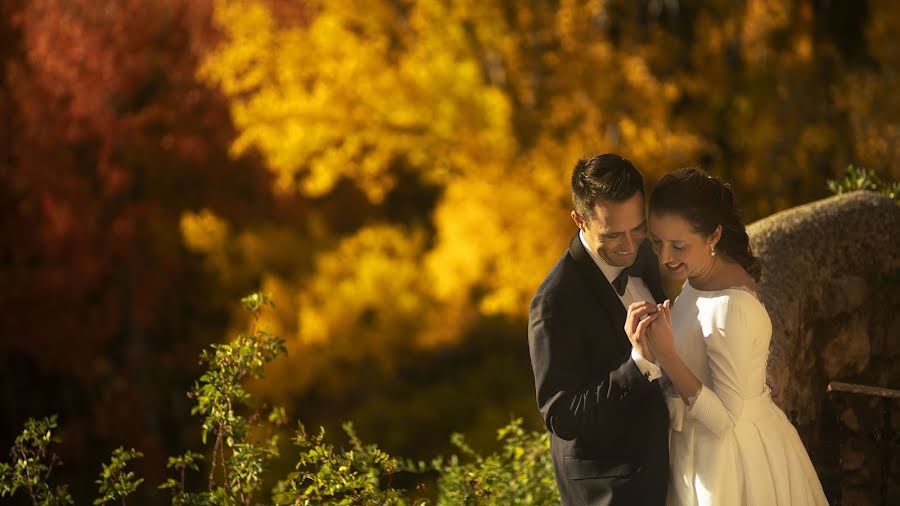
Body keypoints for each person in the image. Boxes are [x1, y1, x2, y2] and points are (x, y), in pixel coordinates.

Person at [635, 167, 828, 505]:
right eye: (658, 243)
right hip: (698, 453)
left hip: (726, 465)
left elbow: (724, 420)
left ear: (713, 236)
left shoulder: (730, 306)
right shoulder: (699, 278)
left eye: (679, 245)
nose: (665, 257)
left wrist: (667, 357)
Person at [528, 153, 669, 505]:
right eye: (613, 235)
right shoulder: (554, 301)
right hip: (610, 492)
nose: (630, 246)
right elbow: (562, 416)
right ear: (579, 220)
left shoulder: (644, 255)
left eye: (638, 229)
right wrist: (637, 365)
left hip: (668, 470)